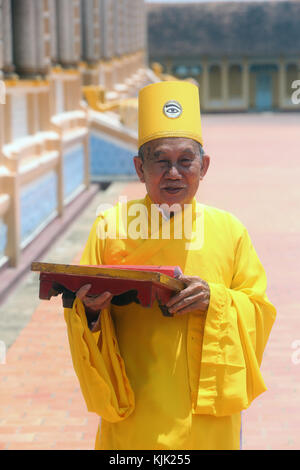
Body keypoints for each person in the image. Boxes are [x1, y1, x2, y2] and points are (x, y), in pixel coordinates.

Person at [63, 81, 276, 450]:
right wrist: (92, 312)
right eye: (160, 161)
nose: (173, 173)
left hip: (208, 419)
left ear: (204, 166)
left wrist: (216, 299)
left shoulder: (229, 230)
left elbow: (259, 310)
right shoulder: (111, 227)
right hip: (136, 408)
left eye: (185, 161)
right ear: (139, 168)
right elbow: (83, 313)